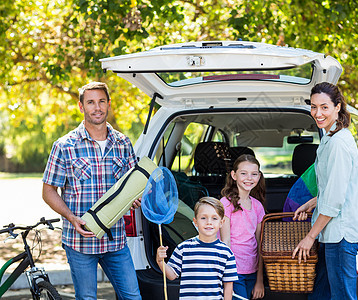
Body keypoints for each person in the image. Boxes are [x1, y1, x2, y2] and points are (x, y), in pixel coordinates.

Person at [42, 82, 142, 300]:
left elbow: (132, 185)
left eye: (101, 101)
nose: (97, 107)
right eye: (90, 102)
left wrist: (135, 199)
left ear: (108, 104)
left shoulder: (123, 143)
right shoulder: (64, 145)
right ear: (81, 106)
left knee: (133, 297)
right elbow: (48, 190)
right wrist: (70, 217)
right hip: (80, 242)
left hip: (115, 240)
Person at [291, 82, 358, 300]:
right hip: (330, 234)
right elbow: (333, 188)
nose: (317, 113)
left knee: (341, 296)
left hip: (340, 235)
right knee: (321, 295)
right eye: (314, 107)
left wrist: (309, 237)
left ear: (338, 107)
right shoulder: (330, 138)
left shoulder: (338, 144)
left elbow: (334, 201)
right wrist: (312, 203)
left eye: (324, 107)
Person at [157, 197, 238, 300]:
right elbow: (171, 275)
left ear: (221, 223)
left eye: (214, 218)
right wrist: (160, 261)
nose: (209, 222)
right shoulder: (184, 248)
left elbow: (228, 286)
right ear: (195, 222)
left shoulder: (226, 253)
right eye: (203, 218)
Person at [219, 154, 266, 300]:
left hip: (252, 270)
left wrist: (260, 280)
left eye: (254, 174)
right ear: (234, 175)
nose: (249, 178)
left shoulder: (257, 206)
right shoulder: (225, 204)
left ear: (259, 177)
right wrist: (227, 278)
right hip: (232, 271)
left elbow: (260, 245)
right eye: (243, 173)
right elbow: (225, 243)